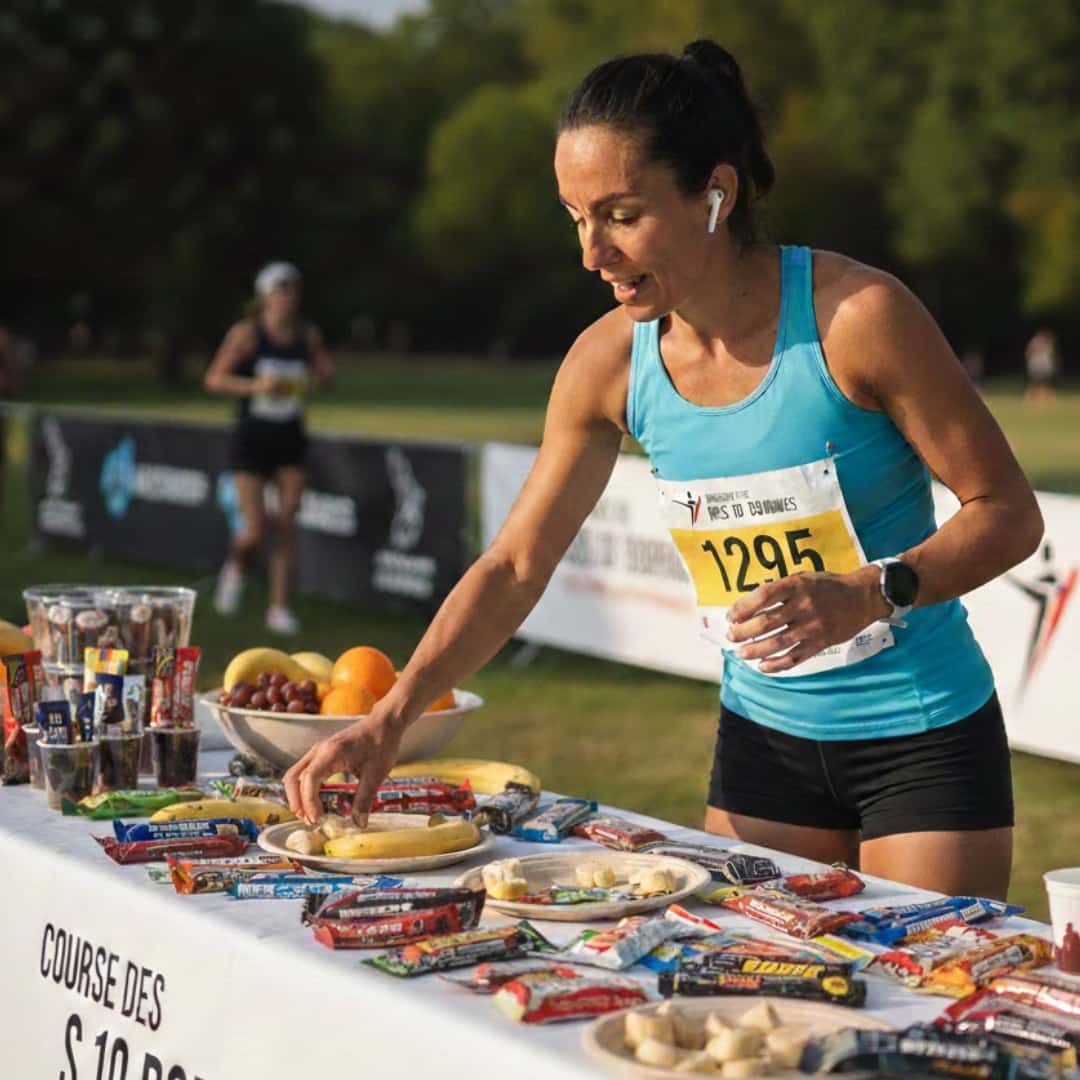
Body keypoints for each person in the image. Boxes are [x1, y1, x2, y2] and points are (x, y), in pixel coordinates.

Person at [284, 42, 1042, 899]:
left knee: (924, 1007)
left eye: (620, 214)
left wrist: (872, 592)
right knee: (750, 1006)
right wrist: (390, 719)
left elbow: (1008, 511)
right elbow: (514, 565)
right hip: (763, 750)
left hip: (923, 739)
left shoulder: (859, 318)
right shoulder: (608, 364)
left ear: (714, 194)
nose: (591, 253)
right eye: (575, 217)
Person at [204, 262, 333, 635]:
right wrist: (256, 387)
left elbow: (327, 377)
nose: (286, 297)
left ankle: (278, 607)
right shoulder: (247, 334)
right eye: (279, 290)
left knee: (287, 521)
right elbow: (214, 379)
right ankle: (235, 567)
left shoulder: (307, 336)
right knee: (256, 529)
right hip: (252, 438)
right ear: (264, 296)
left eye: (291, 290)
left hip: (290, 435)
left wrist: (317, 376)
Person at [1024, 327, 1060, 404]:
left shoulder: (1048, 343)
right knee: (1035, 382)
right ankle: (1029, 397)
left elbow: (1051, 355)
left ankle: (1049, 398)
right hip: (1036, 364)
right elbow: (1029, 352)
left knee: (1045, 382)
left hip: (1045, 365)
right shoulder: (1035, 341)